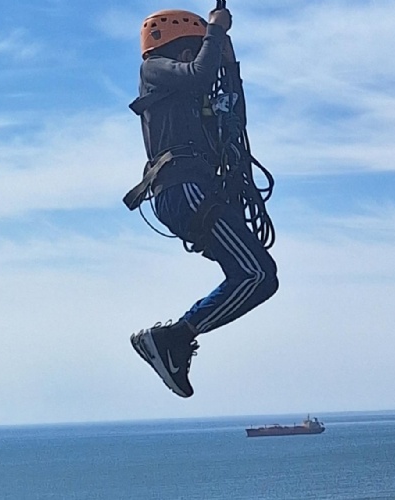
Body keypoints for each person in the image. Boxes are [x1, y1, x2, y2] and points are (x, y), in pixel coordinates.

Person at [126, 7, 278, 398]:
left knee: (257, 276)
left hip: (196, 190)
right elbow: (198, 75)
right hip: (182, 188)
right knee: (257, 275)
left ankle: (175, 338)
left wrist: (230, 65)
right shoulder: (153, 69)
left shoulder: (190, 91)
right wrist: (215, 31)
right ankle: (174, 337)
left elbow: (233, 116)